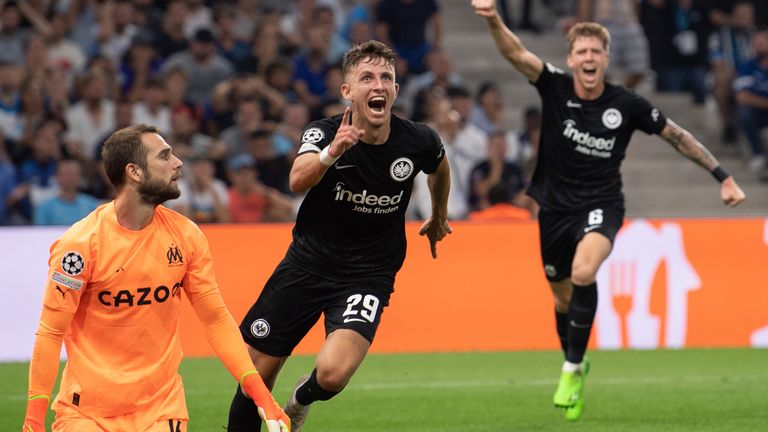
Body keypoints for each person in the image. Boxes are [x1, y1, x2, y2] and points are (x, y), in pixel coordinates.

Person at [472, 0, 745, 421]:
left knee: (585, 272)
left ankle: (570, 369)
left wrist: (722, 175)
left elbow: (677, 136)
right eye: (581, 51)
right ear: (571, 58)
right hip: (554, 210)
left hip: (602, 204)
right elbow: (515, 53)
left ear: (605, 59)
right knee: (563, 301)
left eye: (595, 52)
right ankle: (576, 361)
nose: (588, 58)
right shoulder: (555, 86)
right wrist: (493, 18)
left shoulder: (626, 103)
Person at [227, 40, 451, 431]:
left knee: (331, 375)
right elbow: (297, 179)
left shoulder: (417, 140)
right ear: (347, 91)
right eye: (367, 77)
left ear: (396, 91)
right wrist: (332, 152)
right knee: (254, 377)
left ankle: (300, 399)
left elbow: (440, 165)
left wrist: (439, 214)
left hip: (368, 273)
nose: (378, 85)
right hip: (307, 264)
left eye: (386, 78)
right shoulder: (325, 132)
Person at [22, 124, 289, 432]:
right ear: (134, 172)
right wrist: (33, 419)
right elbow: (51, 333)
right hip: (88, 414)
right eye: (164, 156)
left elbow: (216, 320)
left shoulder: (186, 236)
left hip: (162, 411)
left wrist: (262, 397)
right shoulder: (80, 246)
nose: (178, 163)